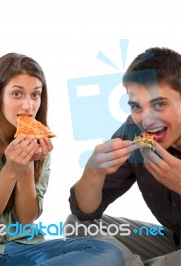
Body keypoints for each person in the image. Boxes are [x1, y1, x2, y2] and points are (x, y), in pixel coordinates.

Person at [0, 53, 125, 265]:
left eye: (35, 95)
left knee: (107, 252)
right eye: (17, 94)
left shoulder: (40, 140)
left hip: (25, 247)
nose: (28, 106)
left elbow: (26, 220)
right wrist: (11, 170)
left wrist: (27, 165)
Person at [67, 47, 181, 266]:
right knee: (76, 224)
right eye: (137, 106)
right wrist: (93, 170)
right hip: (171, 240)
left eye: (159, 104)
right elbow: (84, 212)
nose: (147, 121)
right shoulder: (133, 133)